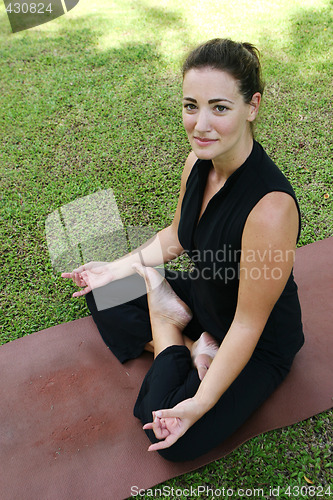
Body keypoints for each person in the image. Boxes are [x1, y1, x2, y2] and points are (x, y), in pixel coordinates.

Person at [62, 38, 304, 462]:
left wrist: (201, 402)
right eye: (191, 106)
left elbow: (248, 326)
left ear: (253, 106)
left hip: (255, 339)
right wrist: (117, 268)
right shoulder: (197, 164)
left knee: (173, 430)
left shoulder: (271, 209)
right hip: (206, 295)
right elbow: (176, 236)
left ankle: (170, 323)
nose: (201, 124)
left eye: (220, 107)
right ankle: (187, 340)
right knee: (107, 290)